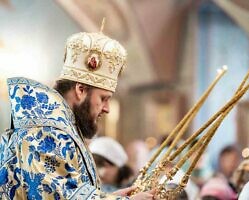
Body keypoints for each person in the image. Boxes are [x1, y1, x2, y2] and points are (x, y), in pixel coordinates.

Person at [0, 30, 154, 199]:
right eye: (103, 98)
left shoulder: (63, 128)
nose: (107, 108)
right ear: (80, 90)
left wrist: (111, 196)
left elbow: (71, 190)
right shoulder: (44, 131)